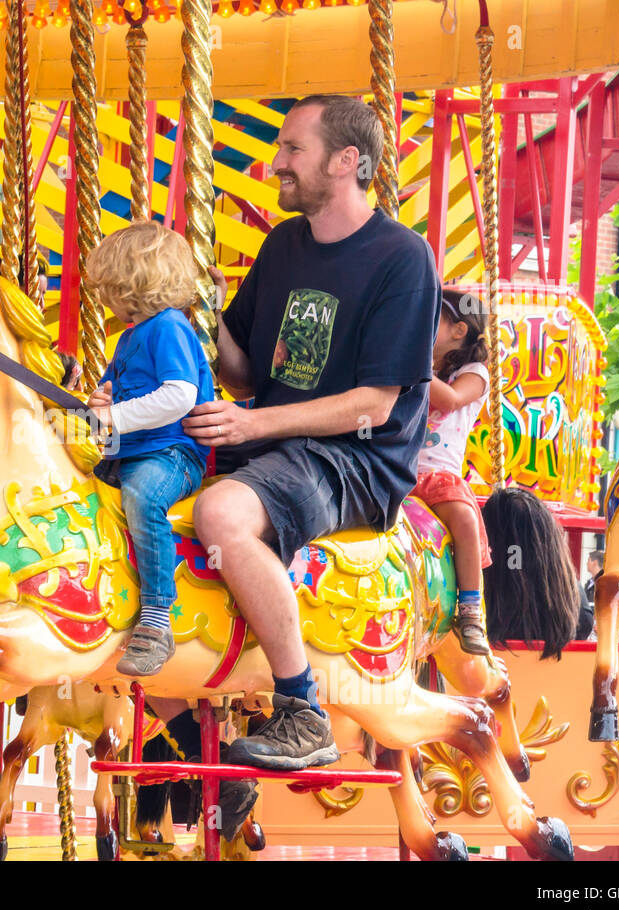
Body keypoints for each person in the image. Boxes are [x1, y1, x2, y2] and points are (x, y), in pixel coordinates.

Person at [185, 95, 440, 771]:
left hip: (353, 459)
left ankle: (302, 711)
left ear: (347, 160)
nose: (276, 165)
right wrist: (201, 312)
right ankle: (192, 714)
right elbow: (243, 376)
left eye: (294, 149)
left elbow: (375, 405)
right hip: (271, 443)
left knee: (220, 510)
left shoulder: (401, 257)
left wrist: (254, 422)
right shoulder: (282, 247)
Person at [84, 222, 216, 676]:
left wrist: (114, 417)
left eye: (113, 292)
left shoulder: (169, 327)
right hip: (128, 452)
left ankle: (158, 615)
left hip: (171, 454)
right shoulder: (128, 338)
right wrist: (100, 402)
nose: (108, 303)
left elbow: (178, 395)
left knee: (142, 496)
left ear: (136, 285)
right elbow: (116, 395)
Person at [413, 289, 491, 654]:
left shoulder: (473, 373)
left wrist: (407, 362)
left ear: (459, 330)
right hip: (399, 470)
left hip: (439, 474)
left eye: (434, 318)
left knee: (463, 518)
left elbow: (453, 399)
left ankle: (471, 609)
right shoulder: (418, 365)